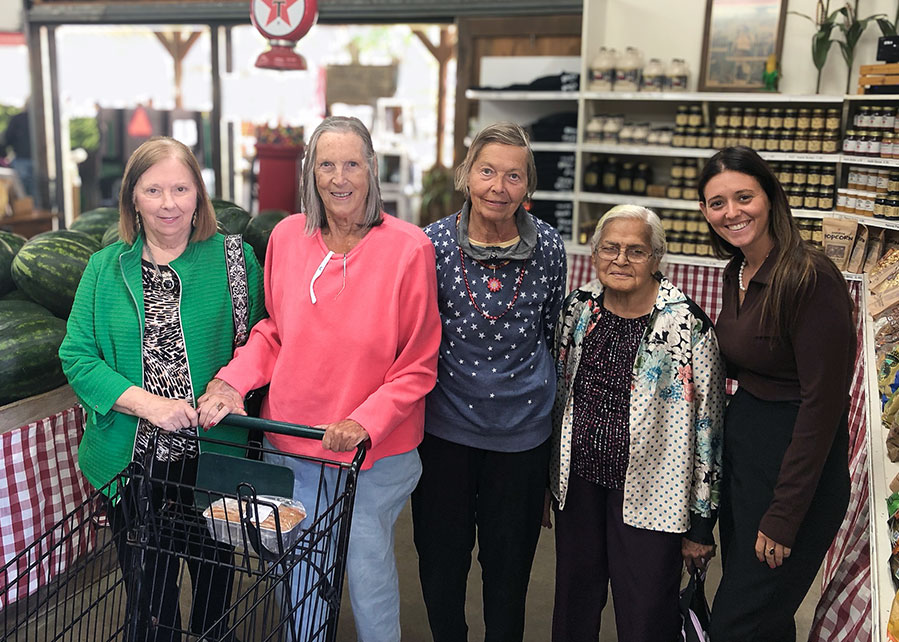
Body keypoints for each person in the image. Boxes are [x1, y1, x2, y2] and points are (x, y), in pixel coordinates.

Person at [197, 116, 441, 641]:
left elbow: (418, 362)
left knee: (365, 567)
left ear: (372, 169)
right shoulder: (288, 237)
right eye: (325, 164)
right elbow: (274, 331)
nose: (339, 177)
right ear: (311, 171)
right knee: (300, 572)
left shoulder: (409, 247)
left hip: (370, 453)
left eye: (351, 163)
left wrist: (363, 420)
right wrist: (232, 381)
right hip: (294, 442)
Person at [59, 136, 266, 641]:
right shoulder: (104, 268)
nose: (168, 203)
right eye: (153, 190)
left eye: (181, 188)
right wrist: (149, 405)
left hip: (214, 453)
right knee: (149, 598)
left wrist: (227, 384)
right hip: (132, 460)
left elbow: (265, 337)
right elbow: (77, 355)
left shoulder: (235, 260)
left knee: (217, 585)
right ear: (133, 197)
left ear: (199, 194)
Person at [413, 121, 567, 641]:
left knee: (509, 577)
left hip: (521, 441)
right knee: (440, 567)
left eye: (514, 176)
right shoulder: (429, 245)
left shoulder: (548, 246)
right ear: (465, 176)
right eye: (487, 172)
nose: (499, 188)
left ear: (529, 185)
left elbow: (549, 333)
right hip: (445, 435)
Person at [548, 204, 725, 642]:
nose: (621, 260)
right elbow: (558, 396)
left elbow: (710, 429)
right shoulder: (578, 308)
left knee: (646, 614)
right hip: (579, 486)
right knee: (574, 604)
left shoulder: (687, 324)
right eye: (610, 248)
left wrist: (702, 522)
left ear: (656, 258)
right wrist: (546, 480)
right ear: (594, 254)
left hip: (654, 494)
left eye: (635, 251)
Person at [698, 146, 854, 642]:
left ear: (771, 199)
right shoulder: (735, 273)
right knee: (766, 623)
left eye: (744, 197)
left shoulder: (809, 277)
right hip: (749, 468)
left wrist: (786, 515)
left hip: (795, 475)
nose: (731, 212)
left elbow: (823, 406)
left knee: (737, 623)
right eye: (716, 202)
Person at [2, 103, 34, 198]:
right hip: (40, 162)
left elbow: (8, 138)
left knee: (21, 194)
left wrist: (5, 154)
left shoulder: (17, 119)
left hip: (21, 159)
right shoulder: (46, 118)